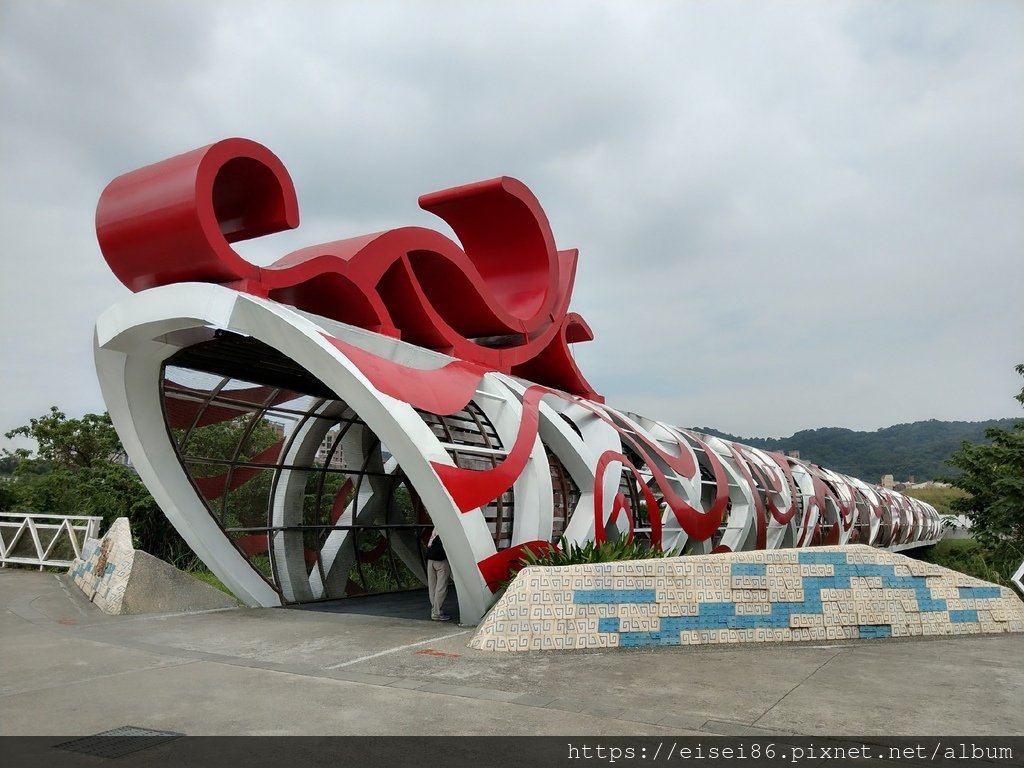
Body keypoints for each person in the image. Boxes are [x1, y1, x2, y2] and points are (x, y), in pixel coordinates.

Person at [425, 529, 451, 621]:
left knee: (432, 587)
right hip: (441, 560)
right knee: (441, 587)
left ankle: (435, 610)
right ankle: (437, 613)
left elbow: (429, 544)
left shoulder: (436, 526)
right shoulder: (448, 528)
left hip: (430, 559)